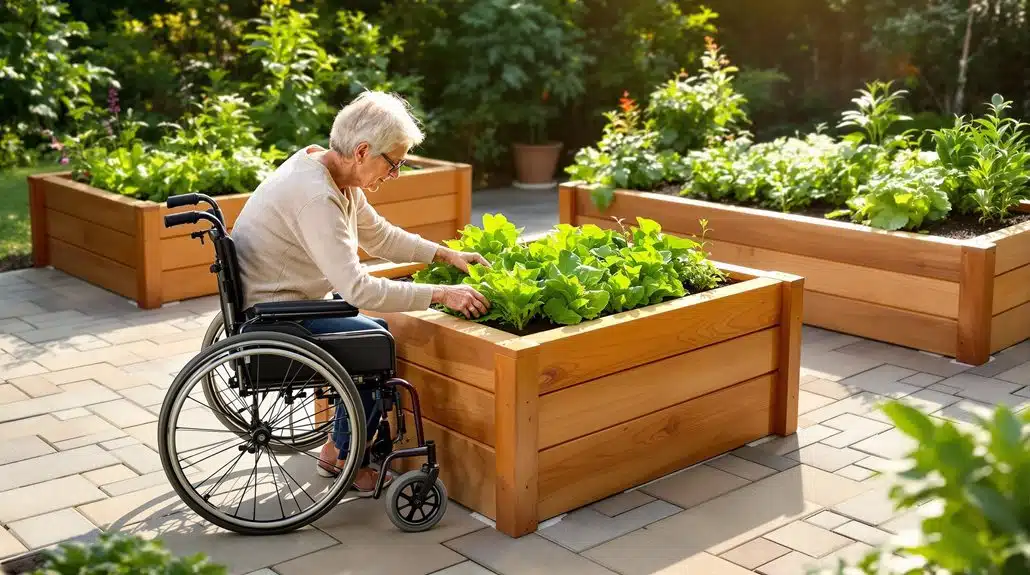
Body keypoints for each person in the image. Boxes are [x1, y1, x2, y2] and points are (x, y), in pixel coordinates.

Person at [231, 90, 492, 495]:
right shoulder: (317, 197)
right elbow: (357, 288)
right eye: (394, 163)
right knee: (376, 341)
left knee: (368, 331)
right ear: (363, 150)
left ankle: (337, 449)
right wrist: (442, 293)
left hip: (285, 300)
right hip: (281, 314)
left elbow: (379, 236)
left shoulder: (331, 172)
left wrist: (445, 253)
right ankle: (348, 462)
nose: (396, 174)